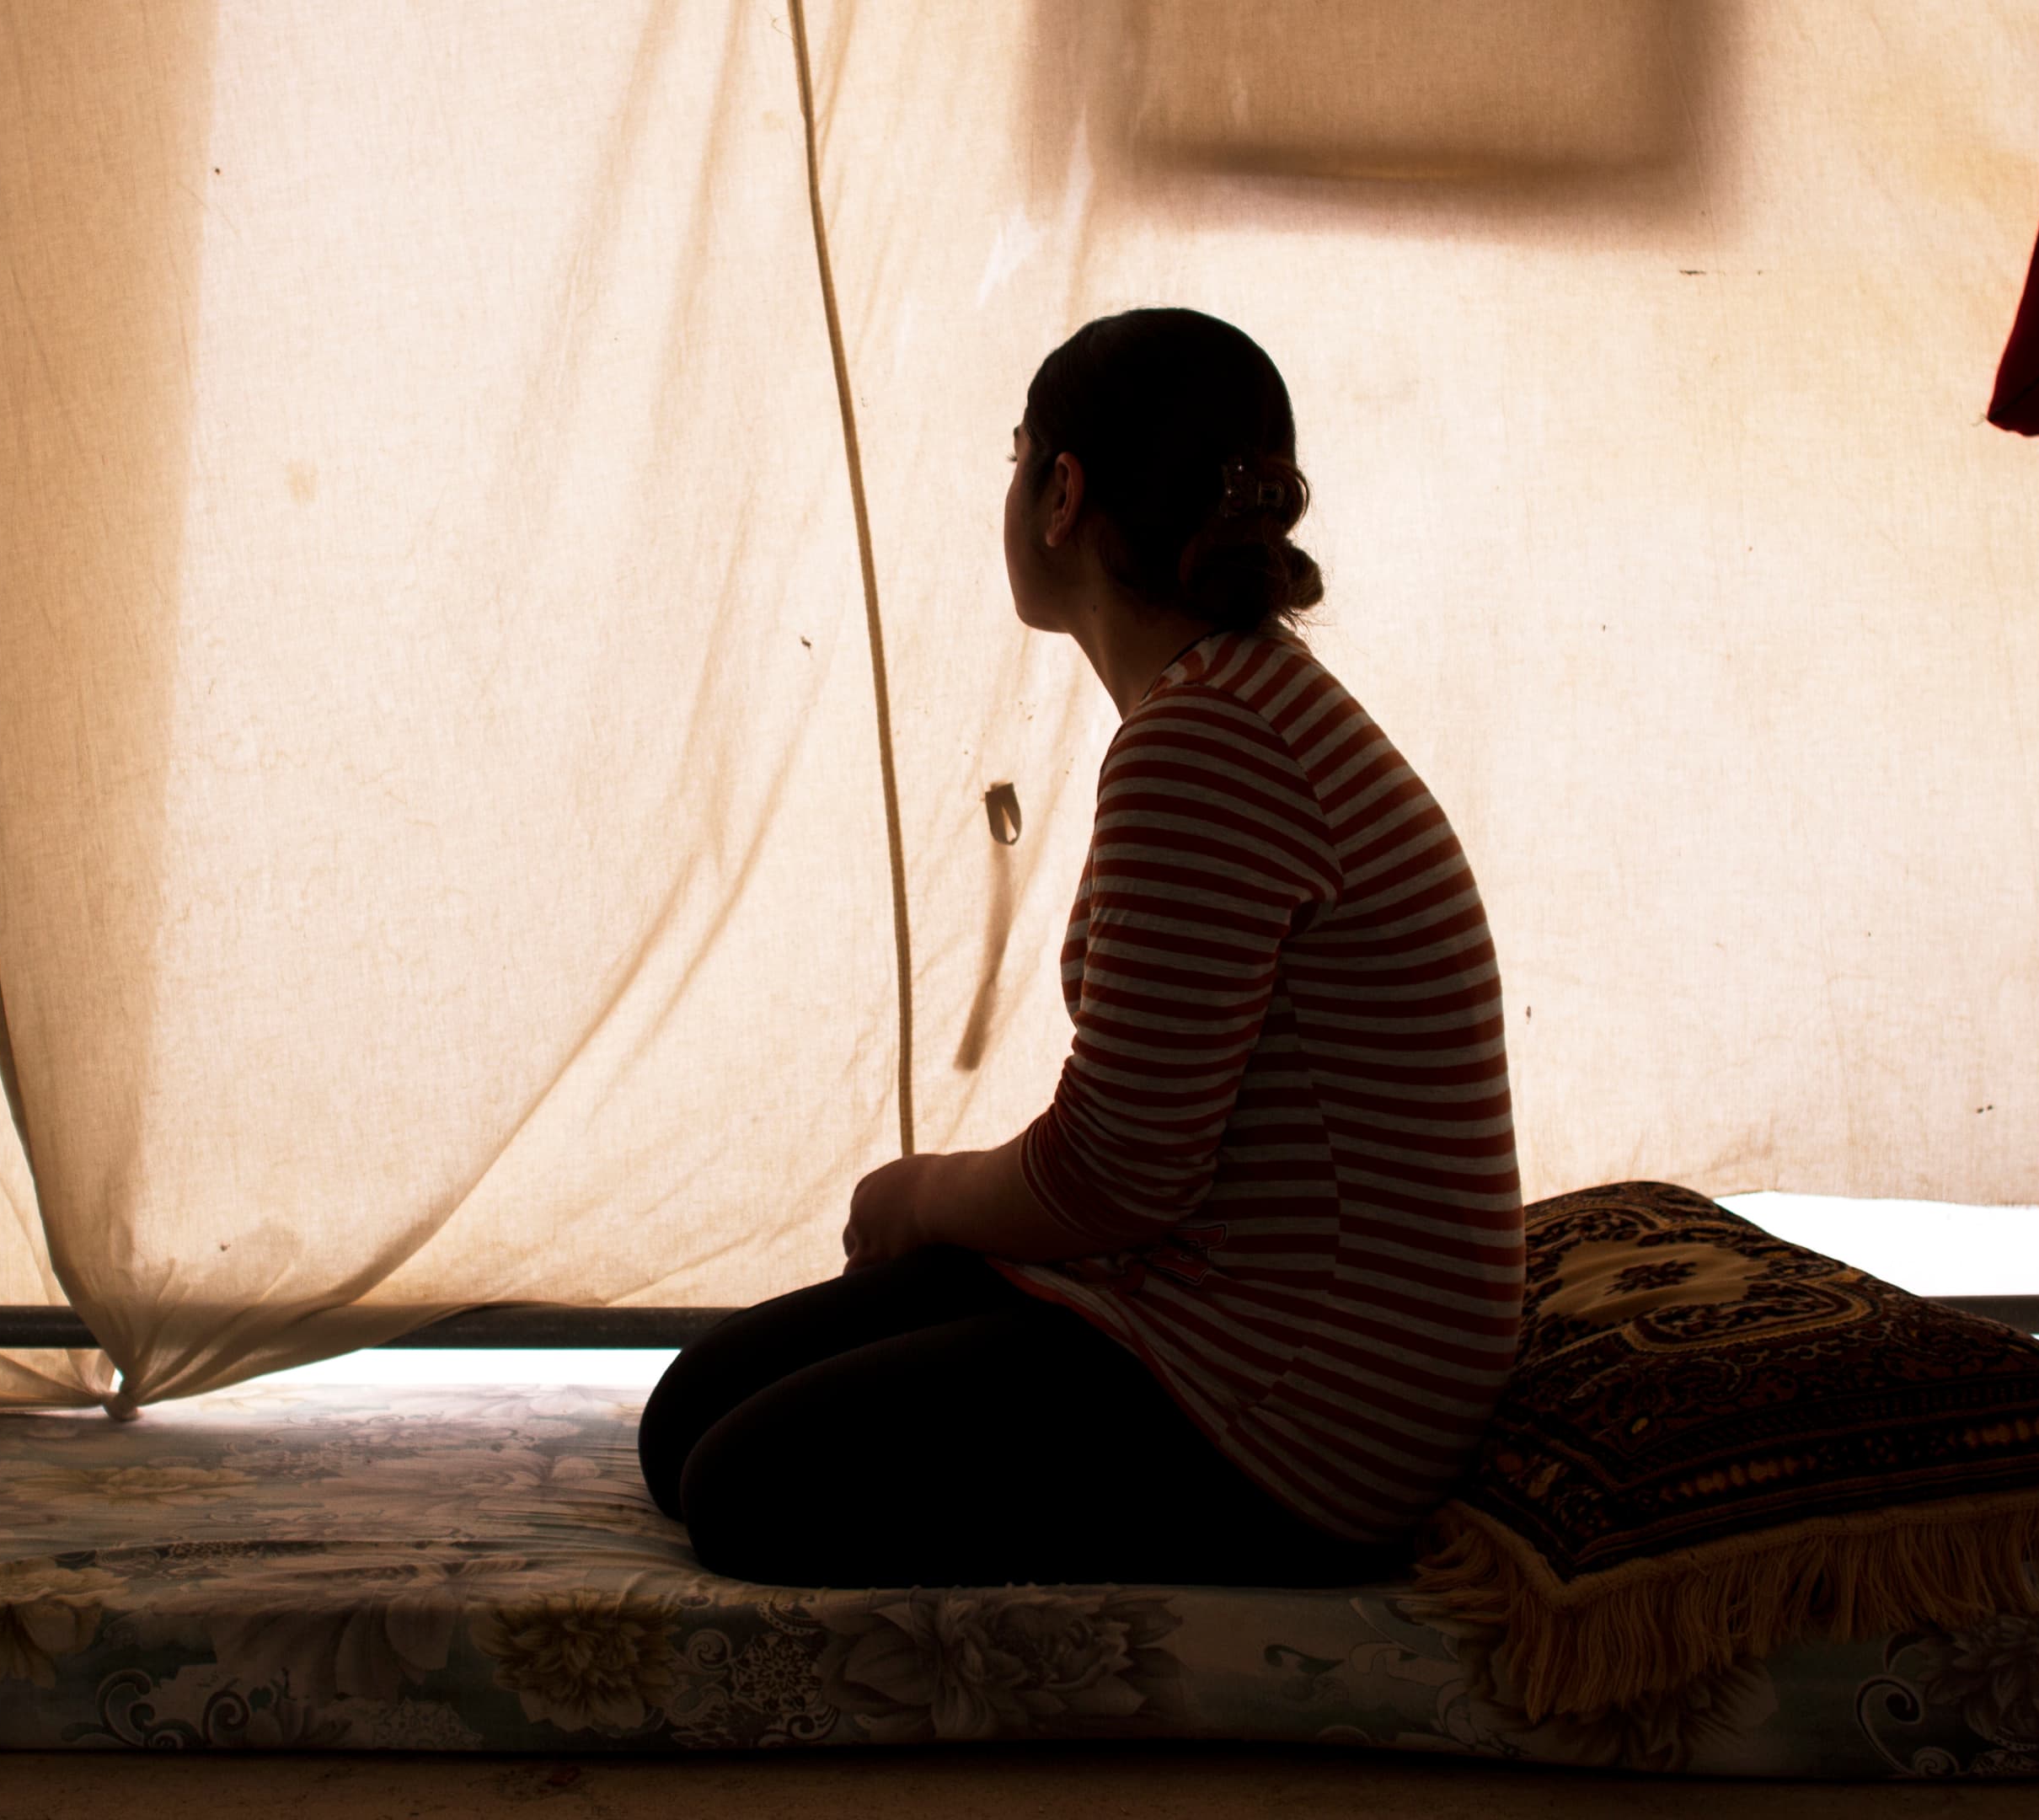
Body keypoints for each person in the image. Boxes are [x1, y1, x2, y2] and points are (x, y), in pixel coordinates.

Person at [638, 308, 1525, 1588]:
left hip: (1302, 1408)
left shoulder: (1208, 745)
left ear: (1062, 493)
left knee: (740, 1490)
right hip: (1194, 1299)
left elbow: (1122, 1175)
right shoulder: (1233, 705)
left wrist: (922, 1193)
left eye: (1018, 456)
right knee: (688, 1416)